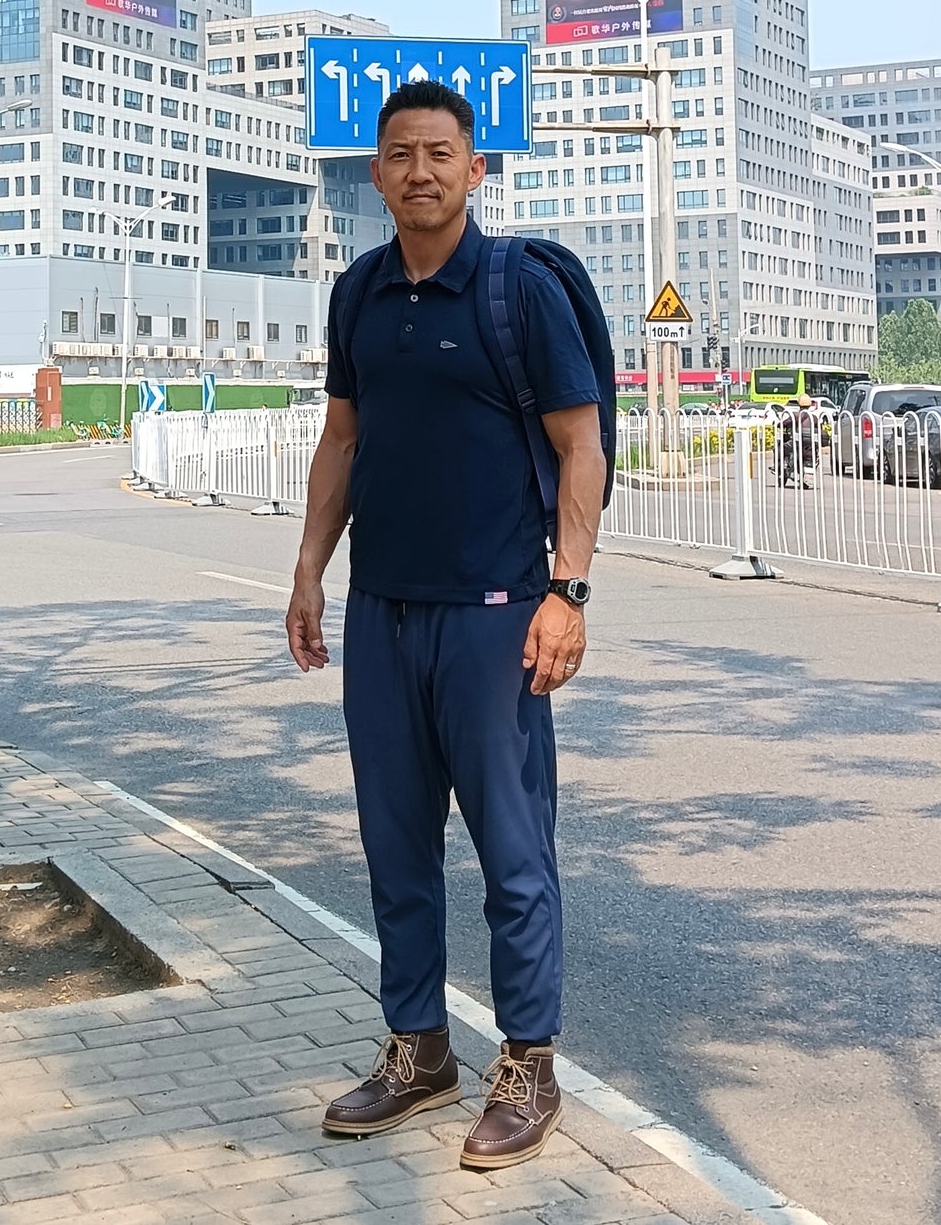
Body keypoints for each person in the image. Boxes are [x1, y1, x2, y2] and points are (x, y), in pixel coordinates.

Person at [285, 80, 606, 1170]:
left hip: (497, 617)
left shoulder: (518, 292)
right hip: (384, 613)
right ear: (374, 173)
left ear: (476, 170)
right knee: (394, 850)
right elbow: (342, 440)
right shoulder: (359, 294)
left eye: (439, 153)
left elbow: (581, 446)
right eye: (399, 154)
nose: (419, 170)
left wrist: (568, 593)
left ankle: (529, 1063)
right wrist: (309, 570)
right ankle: (418, 1048)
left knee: (514, 850)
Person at [780, 393, 816, 488]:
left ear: (799, 404)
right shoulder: (814, 417)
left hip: (797, 443)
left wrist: (779, 424)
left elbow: (783, 423)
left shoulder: (795, 416)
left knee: (781, 448)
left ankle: (783, 467)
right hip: (810, 445)